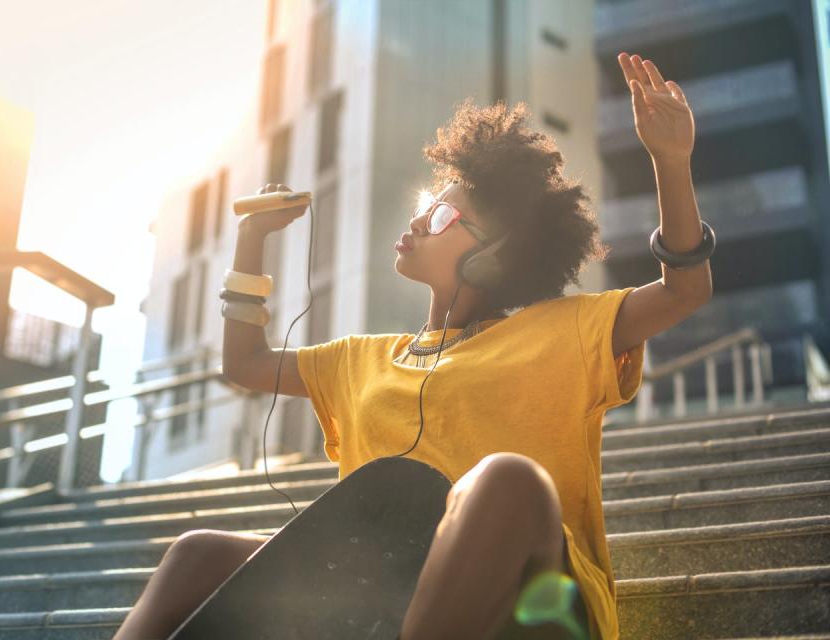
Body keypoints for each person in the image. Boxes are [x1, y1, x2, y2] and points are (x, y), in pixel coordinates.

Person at [114, 52, 712, 640]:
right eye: (427, 205)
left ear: (496, 255)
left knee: (505, 481)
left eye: (446, 214)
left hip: (528, 601)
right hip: (380, 595)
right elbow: (244, 364)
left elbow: (683, 291)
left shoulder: (564, 330)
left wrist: (671, 162)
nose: (422, 219)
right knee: (196, 553)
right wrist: (250, 242)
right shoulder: (360, 360)